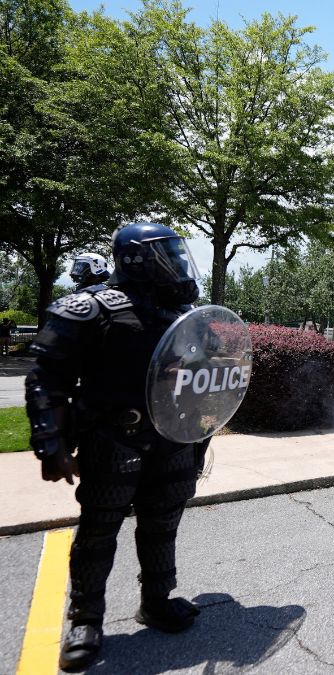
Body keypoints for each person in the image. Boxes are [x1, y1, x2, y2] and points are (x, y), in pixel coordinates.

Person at [25, 222, 205, 670]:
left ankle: (157, 599)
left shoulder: (179, 314)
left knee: (162, 524)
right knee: (99, 530)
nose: (178, 263)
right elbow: (46, 381)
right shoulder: (87, 309)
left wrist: (200, 433)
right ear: (137, 259)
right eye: (168, 254)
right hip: (112, 439)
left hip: (171, 438)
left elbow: (203, 377)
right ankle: (85, 619)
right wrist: (51, 443)